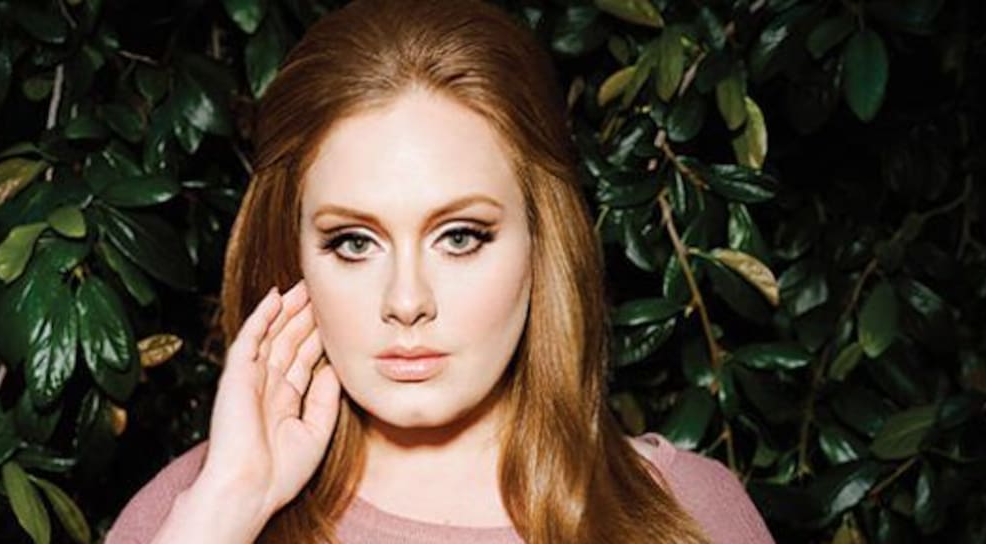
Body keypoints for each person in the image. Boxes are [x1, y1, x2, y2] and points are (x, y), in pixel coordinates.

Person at [106, 0, 775, 542]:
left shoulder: (690, 515)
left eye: (459, 237)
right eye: (353, 242)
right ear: (293, 257)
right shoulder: (193, 511)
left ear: (542, 241)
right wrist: (226, 509)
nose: (407, 301)